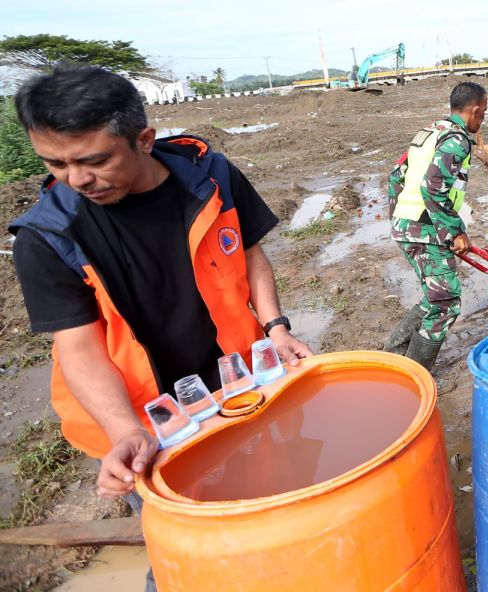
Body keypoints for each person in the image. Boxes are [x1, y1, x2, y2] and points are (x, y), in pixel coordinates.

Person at [9, 66, 311, 590]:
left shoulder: (210, 177)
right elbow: (79, 347)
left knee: (268, 505)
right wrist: (124, 431)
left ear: (144, 140)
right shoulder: (47, 235)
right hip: (149, 422)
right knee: (184, 550)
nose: (76, 179)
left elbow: (251, 254)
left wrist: (275, 327)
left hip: (235, 389)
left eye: (93, 160)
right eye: (54, 163)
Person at [386, 81, 487, 374]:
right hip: (424, 227)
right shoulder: (456, 140)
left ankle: (394, 357)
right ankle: (416, 375)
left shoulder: (429, 132)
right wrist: (455, 231)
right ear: (475, 109)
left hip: (409, 224)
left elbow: (396, 176)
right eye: (484, 112)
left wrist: (399, 219)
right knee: (446, 303)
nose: (483, 118)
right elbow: (433, 188)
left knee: (435, 296)